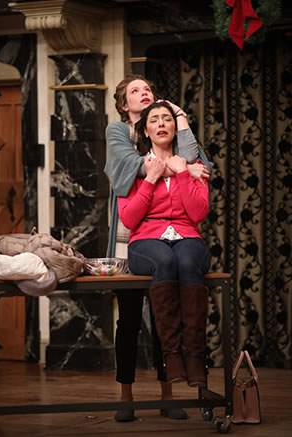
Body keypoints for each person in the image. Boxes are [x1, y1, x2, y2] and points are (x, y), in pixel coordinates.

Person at [104, 74, 211, 422]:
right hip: (132, 229)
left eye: (148, 89)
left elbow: (197, 161)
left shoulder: (166, 125)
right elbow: (124, 168)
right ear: (125, 105)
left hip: (175, 227)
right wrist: (166, 167)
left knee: (168, 301)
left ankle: (169, 392)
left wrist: (176, 119)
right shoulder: (119, 131)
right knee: (130, 318)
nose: (144, 93)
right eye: (135, 91)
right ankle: (126, 397)